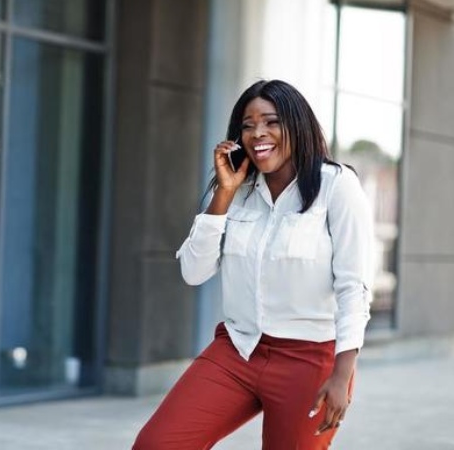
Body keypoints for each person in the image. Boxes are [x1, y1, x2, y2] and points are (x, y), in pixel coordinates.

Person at [132, 79, 374, 450]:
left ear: (298, 124)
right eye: (248, 125)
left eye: (271, 121)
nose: (258, 133)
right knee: (157, 444)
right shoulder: (238, 190)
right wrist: (224, 194)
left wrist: (343, 374)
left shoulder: (336, 187)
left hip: (309, 360)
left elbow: (352, 287)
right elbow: (193, 273)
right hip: (238, 349)